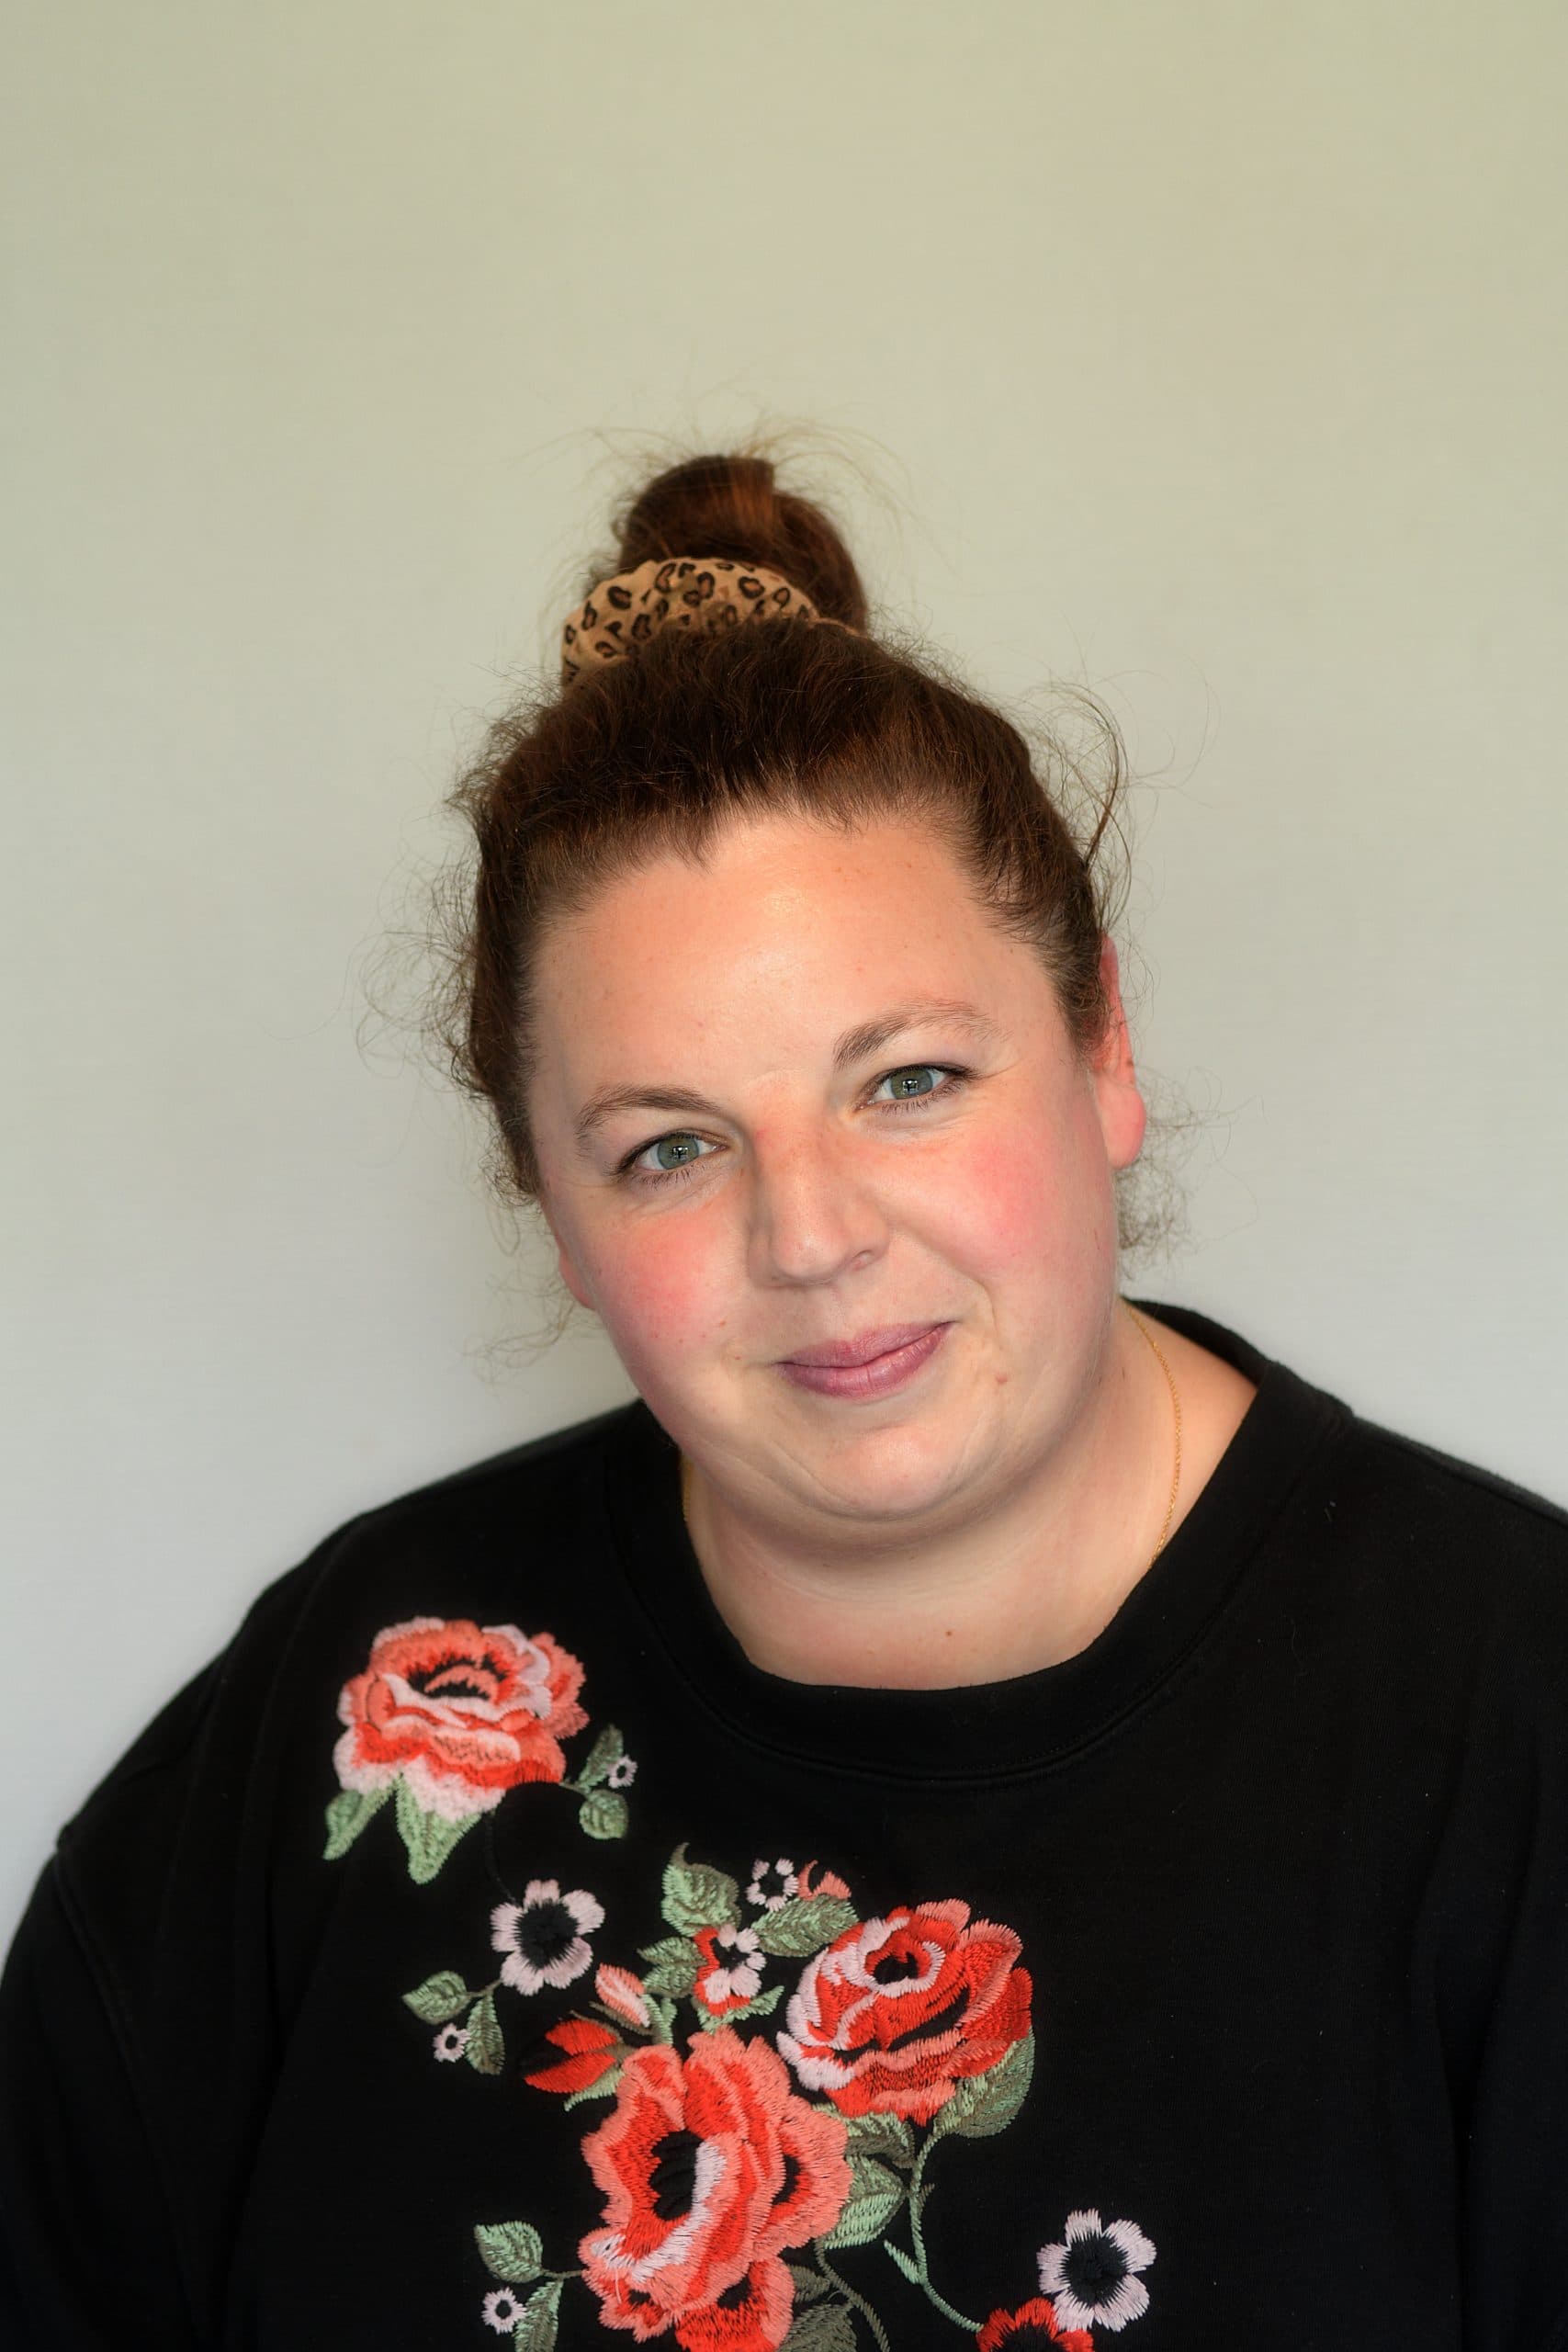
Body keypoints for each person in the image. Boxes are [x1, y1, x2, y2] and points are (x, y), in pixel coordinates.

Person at [2, 451, 1565, 2352]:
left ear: (1102, 1052)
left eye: (907, 1080)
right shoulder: (359, 1718)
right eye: (668, 1146)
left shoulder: (1509, 1719)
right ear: (555, 1214)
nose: (812, 1236)